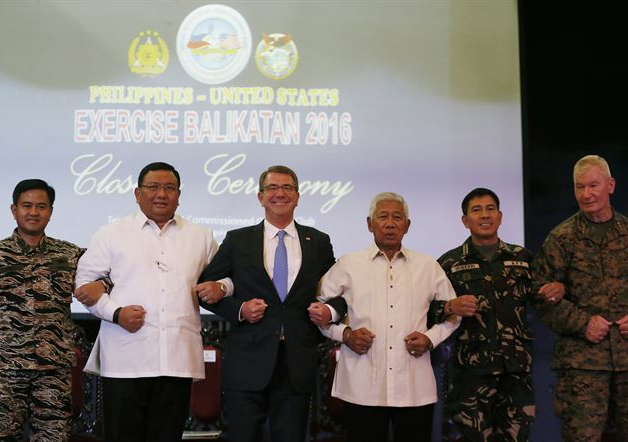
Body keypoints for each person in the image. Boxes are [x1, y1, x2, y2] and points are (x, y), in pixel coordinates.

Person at [196, 165, 346, 442]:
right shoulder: (237, 240)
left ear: (298, 197)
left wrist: (330, 310)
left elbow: (338, 291)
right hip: (247, 360)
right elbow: (205, 290)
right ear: (260, 197)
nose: (280, 194)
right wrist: (239, 310)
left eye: (287, 188)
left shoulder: (318, 241)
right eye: (272, 188)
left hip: (297, 361)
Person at [74, 162, 219, 442]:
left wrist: (222, 286)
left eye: (169, 188)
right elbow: (83, 286)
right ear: (137, 193)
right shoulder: (111, 233)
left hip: (177, 359)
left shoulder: (201, 236)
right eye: (153, 187)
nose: (161, 194)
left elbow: (226, 278)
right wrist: (116, 313)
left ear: (179, 194)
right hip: (125, 358)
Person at [313, 192, 459, 442]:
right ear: (370, 224)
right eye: (383, 217)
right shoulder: (348, 264)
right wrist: (345, 335)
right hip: (362, 386)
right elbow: (318, 311)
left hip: (414, 385)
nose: (390, 223)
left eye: (397, 217)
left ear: (407, 225)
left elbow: (453, 313)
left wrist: (430, 338)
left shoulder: (428, 266)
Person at [0, 179, 104, 441]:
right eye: (27, 205)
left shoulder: (70, 255)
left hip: (53, 369)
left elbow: (108, 273)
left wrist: (101, 283)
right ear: (13, 209)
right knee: (2, 436)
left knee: (53, 438)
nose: (34, 212)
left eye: (41, 206)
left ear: (50, 211)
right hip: (6, 368)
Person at [431, 188, 545, 442]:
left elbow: (542, 301)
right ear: (465, 220)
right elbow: (425, 311)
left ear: (500, 216)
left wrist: (554, 290)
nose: (485, 215)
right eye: (476, 210)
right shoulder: (448, 264)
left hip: (516, 373)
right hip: (469, 376)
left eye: (490, 209)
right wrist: (449, 307)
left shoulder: (522, 258)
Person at [533, 155, 628, 441]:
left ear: (610, 185)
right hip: (582, 367)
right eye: (579, 187)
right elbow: (539, 296)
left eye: (593, 185)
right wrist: (581, 323)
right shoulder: (562, 238)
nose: (586, 194)